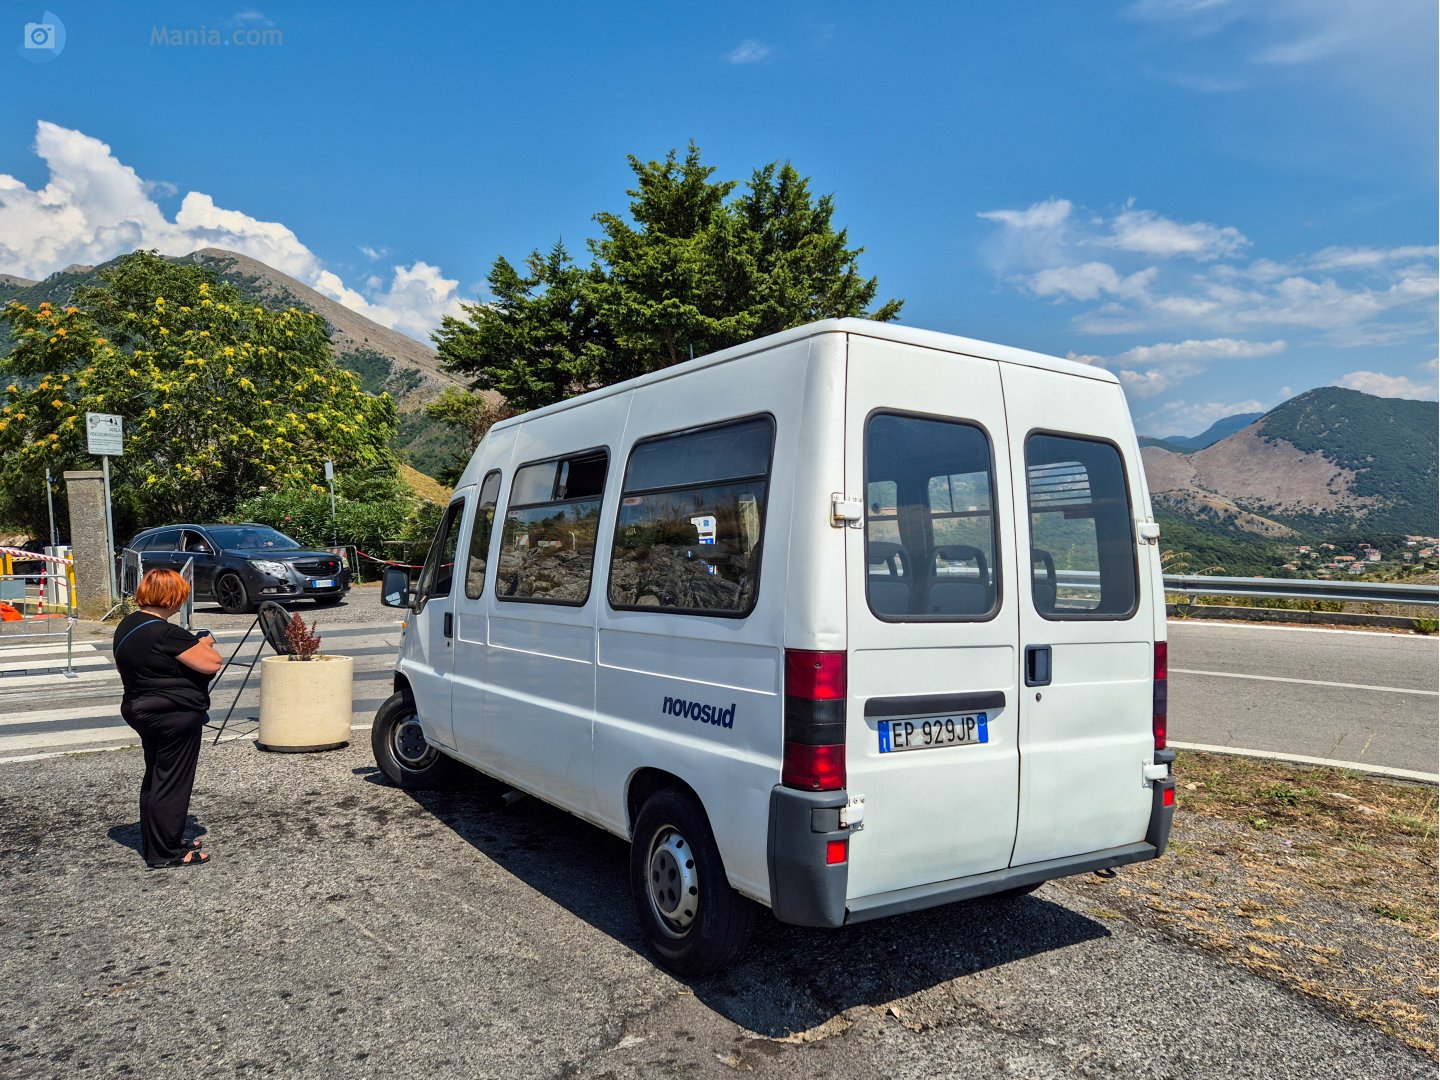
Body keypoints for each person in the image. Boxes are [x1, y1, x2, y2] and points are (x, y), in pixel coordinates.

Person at [113, 568, 224, 868]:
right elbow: (211, 663)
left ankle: (162, 839)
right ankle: (166, 853)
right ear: (170, 597)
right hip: (171, 713)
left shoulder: (130, 623)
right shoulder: (164, 631)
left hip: (141, 707)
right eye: (180, 597)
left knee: (156, 777)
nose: (181, 604)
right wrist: (205, 643)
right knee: (172, 782)